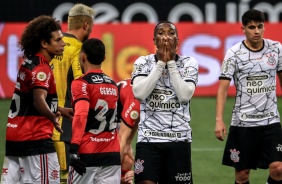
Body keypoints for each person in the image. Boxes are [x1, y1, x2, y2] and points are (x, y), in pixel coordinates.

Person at [215, 9, 282, 184]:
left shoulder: (276, 49)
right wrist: (219, 119)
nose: (257, 31)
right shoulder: (234, 53)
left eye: (260, 26)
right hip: (243, 122)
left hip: (270, 120)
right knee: (242, 174)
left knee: (278, 168)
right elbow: (222, 89)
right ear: (243, 28)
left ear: (264, 27)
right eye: (251, 27)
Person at [131, 21, 198, 184]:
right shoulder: (142, 62)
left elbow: (184, 96)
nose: (166, 37)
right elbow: (139, 93)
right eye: (161, 33)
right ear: (154, 40)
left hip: (178, 139)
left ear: (177, 40)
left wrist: (171, 63)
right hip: (149, 139)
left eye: (171, 33)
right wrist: (160, 63)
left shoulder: (189, 63)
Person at [0, 15, 65, 183]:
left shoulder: (28, 63)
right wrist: (52, 117)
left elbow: (30, 103)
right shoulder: (41, 68)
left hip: (14, 138)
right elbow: (38, 101)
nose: (63, 44)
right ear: (44, 43)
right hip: (35, 139)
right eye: (58, 40)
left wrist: (60, 110)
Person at [49, 3, 95, 183]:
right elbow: (81, 84)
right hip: (64, 126)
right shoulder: (78, 49)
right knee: (64, 177)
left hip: (44, 121)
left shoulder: (51, 44)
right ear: (86, 25)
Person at [67, 38, 121, 184]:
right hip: (112, 156)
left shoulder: (81, 83)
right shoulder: (113, 84)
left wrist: (73, 148)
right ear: (104, 58)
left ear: (82, 56)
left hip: (87, 154)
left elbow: (81, 114)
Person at [116, 78, 140, 184]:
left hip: (119, 115)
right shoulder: (137, 96)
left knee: (127, 159)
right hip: (106, 120)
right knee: (124, 158)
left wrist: (129, 143)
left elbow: (135, 118)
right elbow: (122, 137)